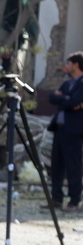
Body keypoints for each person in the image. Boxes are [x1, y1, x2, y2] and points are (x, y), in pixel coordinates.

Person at [45, 52, 83, 211]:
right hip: (59, 129)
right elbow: (52, 98)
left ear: (76, 65)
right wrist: (66, 99)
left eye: (69, 64)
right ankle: (56, 199)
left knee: (73, 165)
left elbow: (75, 101)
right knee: (56, 165)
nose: (66, 67)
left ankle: (74, 200)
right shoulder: (67, 84)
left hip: (74, 131)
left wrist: (65, 99)